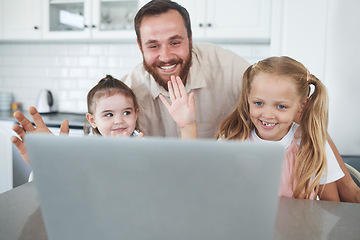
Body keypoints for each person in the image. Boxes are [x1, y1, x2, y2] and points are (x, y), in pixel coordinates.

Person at [10, 0, 360, 202]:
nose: (165, 55)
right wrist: (50, 160)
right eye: (153, 45)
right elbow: (100, 159)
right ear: (139, 47)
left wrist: (346, 186)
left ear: (192, 38)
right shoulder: (127, 93)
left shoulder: (231, 67)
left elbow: (295, 111)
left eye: (175, 41)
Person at [165, 56, 344, 201]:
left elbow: (330, 209)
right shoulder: (232, 141)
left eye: (281, 106)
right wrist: (188, 126)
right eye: (258, 103)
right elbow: (200, 188)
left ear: (302, 106)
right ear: (248, 99)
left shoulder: (311, 144)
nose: (267, 114)